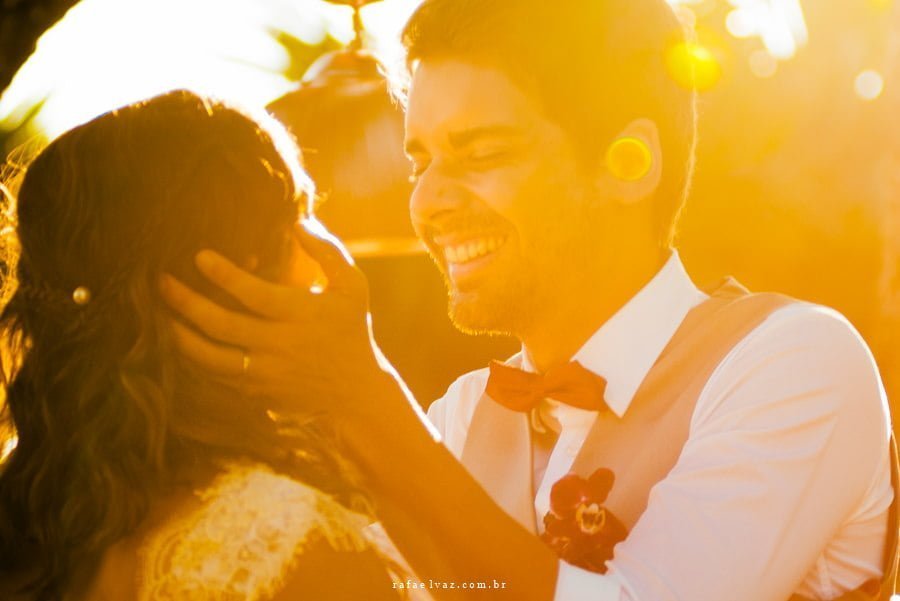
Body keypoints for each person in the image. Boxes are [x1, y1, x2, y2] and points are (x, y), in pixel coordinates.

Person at [163, 0, 899, 599]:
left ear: (629, 164)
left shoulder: (795, 361)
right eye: (420, 159)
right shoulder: (456, 418)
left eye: (479, 154)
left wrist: (363, 402)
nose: (428, 201)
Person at [0, 90, 402, 601]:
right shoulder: (288, 545)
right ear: (233, 277)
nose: (321, 261)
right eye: (298, 218)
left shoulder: (25, 529)